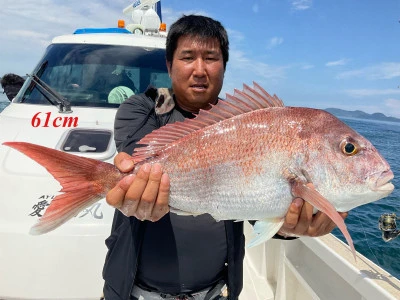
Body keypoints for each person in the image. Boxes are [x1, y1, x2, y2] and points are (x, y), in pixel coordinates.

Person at [102, 15, 348, 300]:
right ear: (169, 65)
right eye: (187, 57)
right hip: (136, 292)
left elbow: (258, 203)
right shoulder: (143, 107)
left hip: (216, 293)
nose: (199, 69)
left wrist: (291, 225)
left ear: (224, 67)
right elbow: (135, 162)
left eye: (210, 58)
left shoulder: (244, 124)